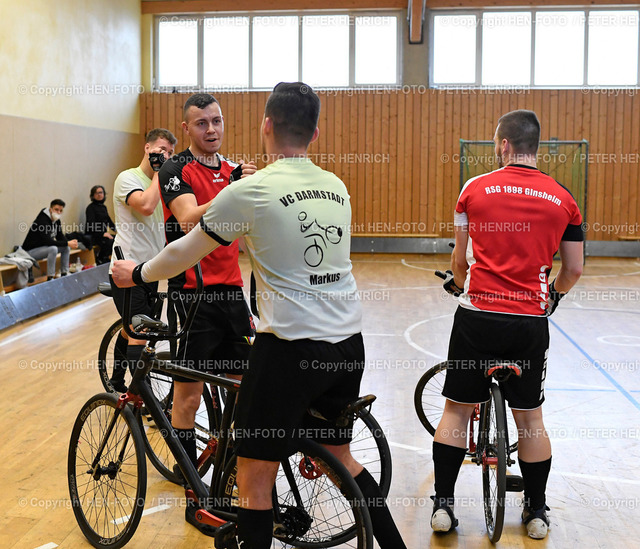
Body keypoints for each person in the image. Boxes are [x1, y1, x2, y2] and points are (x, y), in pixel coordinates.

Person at [113, 82, 406, 549]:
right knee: (339, 457)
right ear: (315, 131)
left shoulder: (250, 189)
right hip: (348, 345)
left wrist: (138, 274)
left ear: (265, 125)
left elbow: (184, 250)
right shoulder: (336, 187)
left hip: (289, 351)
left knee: (252, 478)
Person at [431, 110, 584, 539]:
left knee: (457, 411)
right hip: (528, 324)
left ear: (503, 145)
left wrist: (461, 286)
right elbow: (574, 268)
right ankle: (535, 512)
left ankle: (442, 507)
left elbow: (460, 262)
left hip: (477, 318)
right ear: (537, 146)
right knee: (530, 419)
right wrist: (551, 296)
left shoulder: (474, 189)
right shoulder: (563, 198)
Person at [156, 92, 256, 535]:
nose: (211, 129)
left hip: (232, 296)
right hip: (192, 297)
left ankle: (229, 476)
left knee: (242, 391)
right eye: (201, 124)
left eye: (216, 121)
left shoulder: (232, 169)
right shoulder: (175, 169)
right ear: (187, 129)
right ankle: (192, 491)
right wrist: (235, 188)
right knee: (189, 397)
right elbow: (186, 221)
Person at [108, 128, 177, 393]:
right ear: (147, 148)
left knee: (131, 330)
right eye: (161, 149)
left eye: (170, 152)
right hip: (126, 268)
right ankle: (142, 396)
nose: (165, 156)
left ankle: (115, 381)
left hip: (149, 272)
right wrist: (162, 172)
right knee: (140, 334)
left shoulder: (161, 184)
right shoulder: (128, 178)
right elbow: (145, 205)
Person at [22, 199, 79, 280]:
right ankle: (50, 277)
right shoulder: (42, 220)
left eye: (61, 210)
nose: (58, 212)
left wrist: (70, 242)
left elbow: (60, 236)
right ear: (50, 209)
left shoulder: (56, 220)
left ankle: (64, 273)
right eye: (56, 209)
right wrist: (67, 243)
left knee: (66, 247)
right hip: (30, 252)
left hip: (43, 248)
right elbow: (48, 241)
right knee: (53, 248)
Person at [85, 185, 116, 264]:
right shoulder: (90, 208)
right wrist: (102, 233)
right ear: (93, 195)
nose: (99, 195)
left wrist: (117, 230)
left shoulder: (103, 207)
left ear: (104, 194)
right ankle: (101, 258)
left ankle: (105, 257)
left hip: (103, 234)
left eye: (101, 192)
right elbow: (90, 224)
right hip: (94, 234)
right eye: (96, 193)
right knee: (109, 241)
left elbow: (108, 220)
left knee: (116, 239)